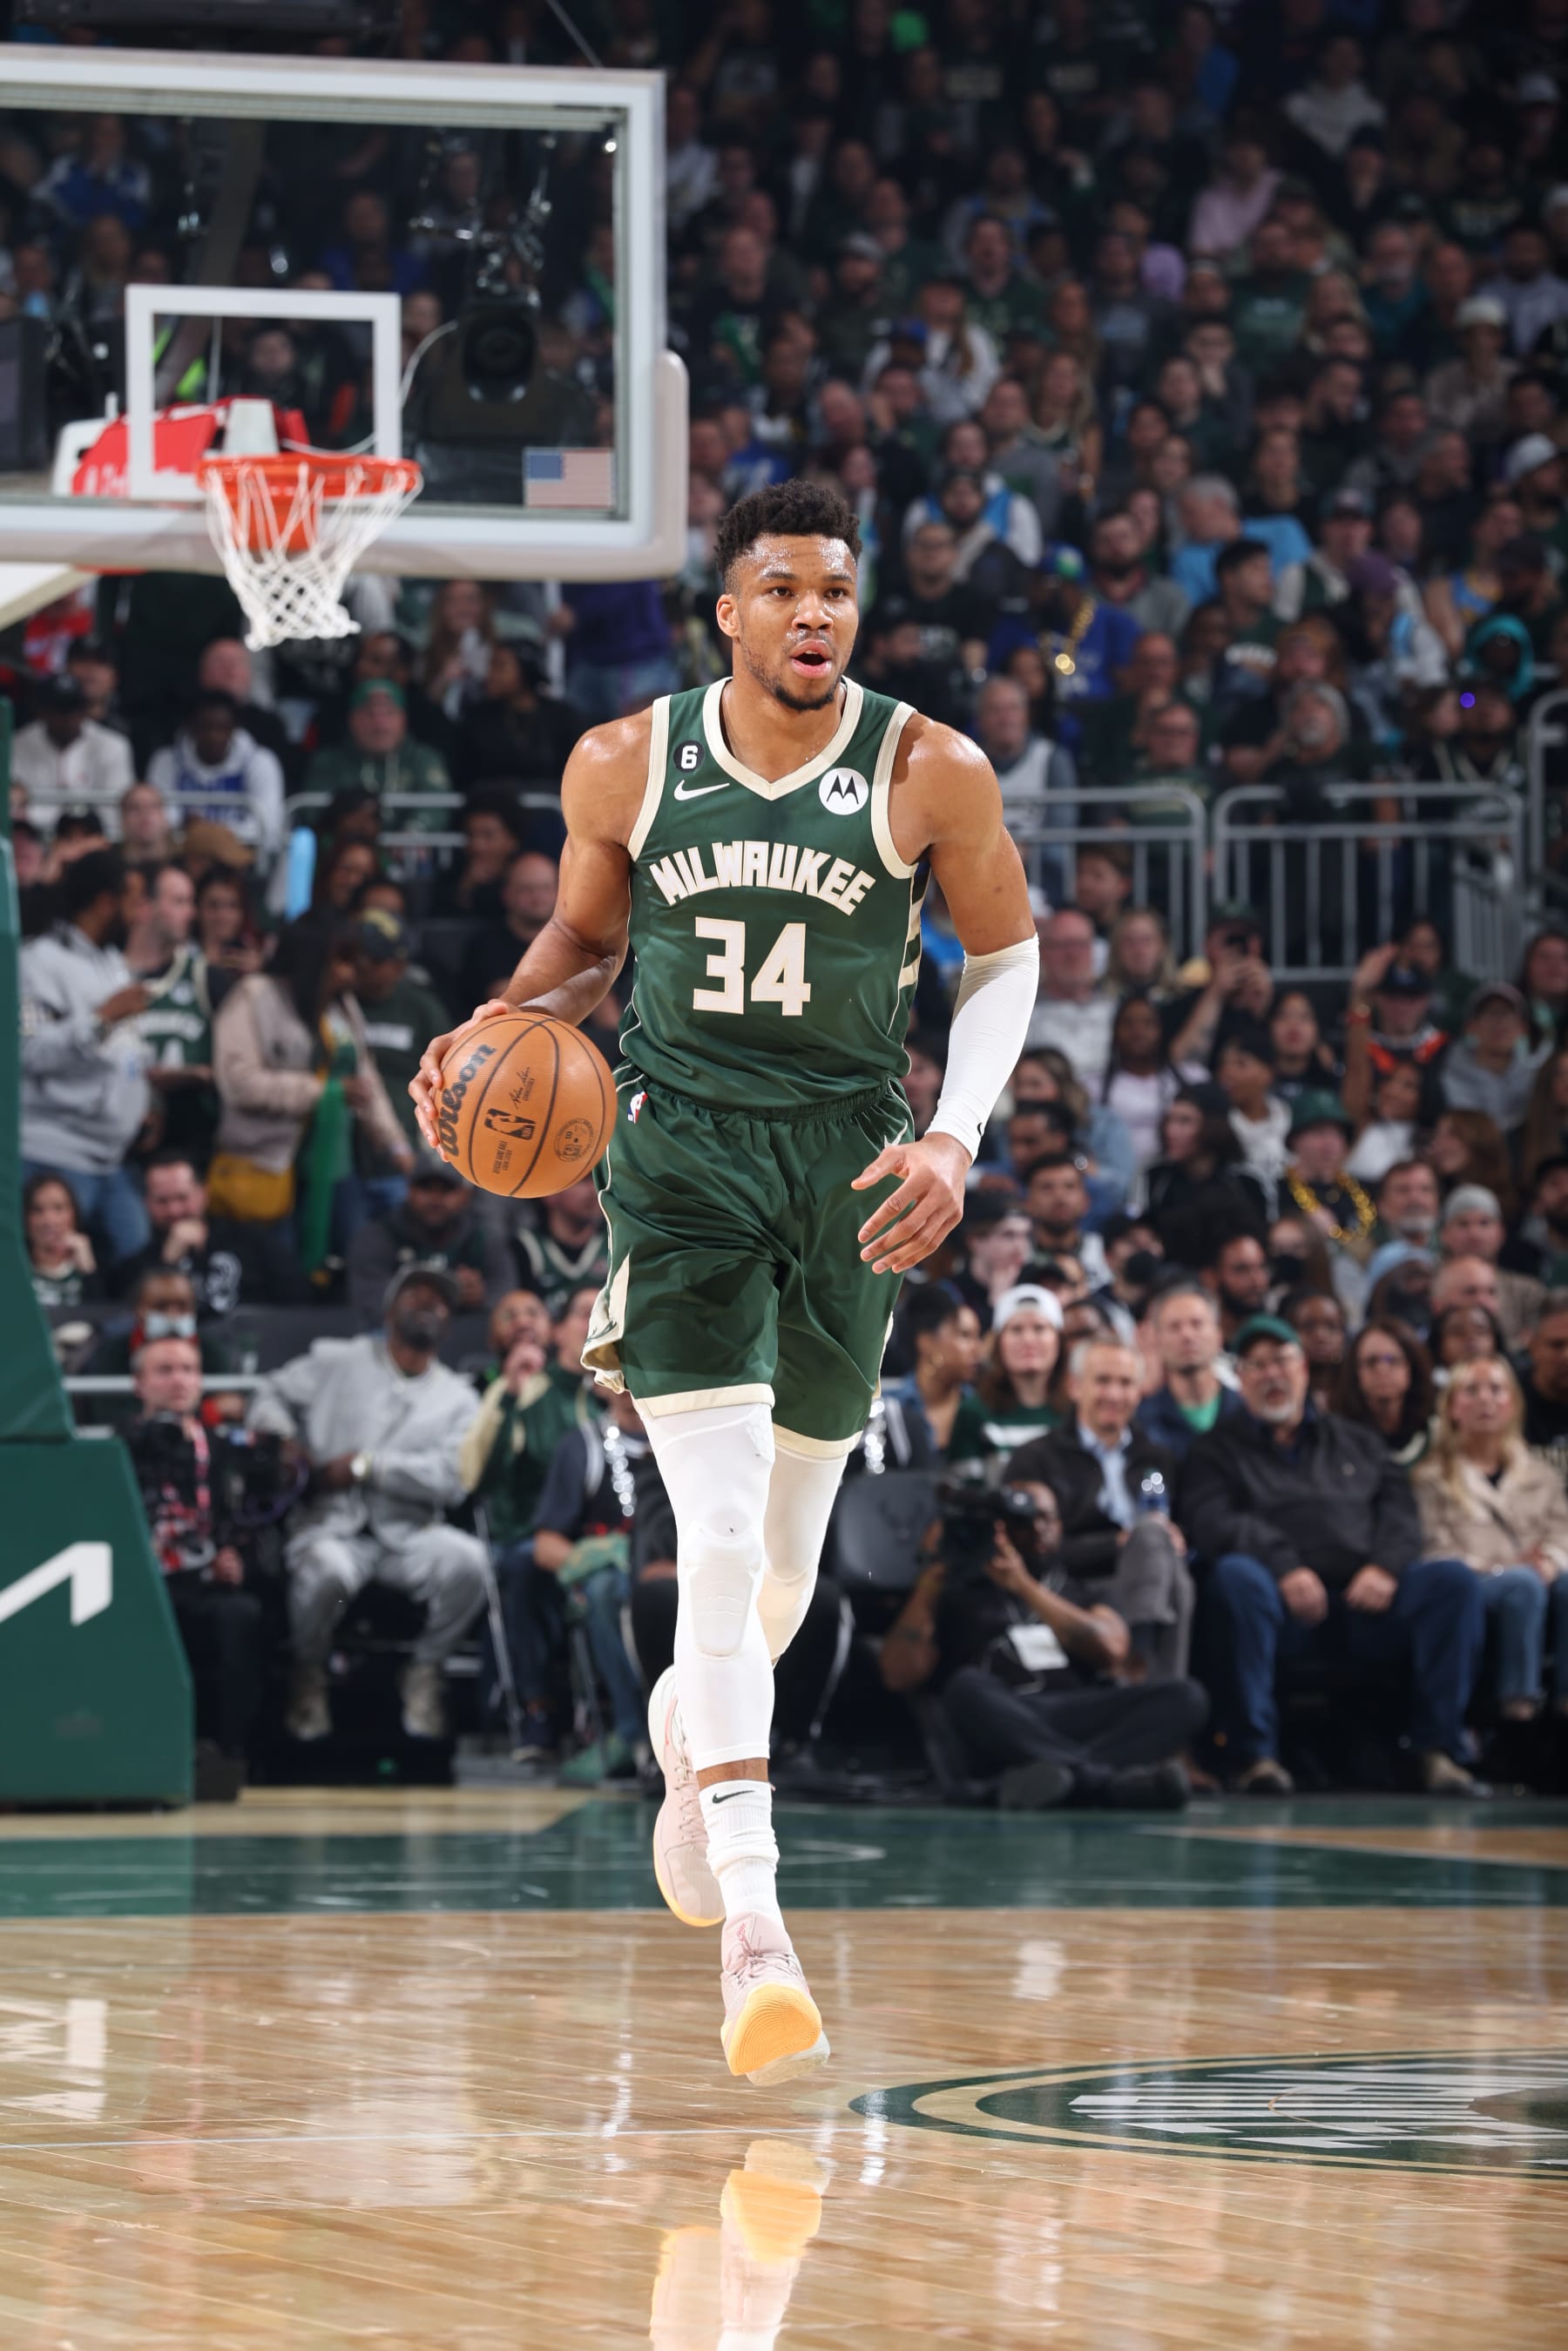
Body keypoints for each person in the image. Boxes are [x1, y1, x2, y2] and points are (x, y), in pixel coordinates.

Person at [410, 477, 1039, 2084]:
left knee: (778, 1573)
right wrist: (486, 1027)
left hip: (848, 1164)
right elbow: (580, 942)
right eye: (785, 588)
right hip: (679, 1152)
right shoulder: (629, 759)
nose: (816, 613)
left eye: (838, 587)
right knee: (711, 1515)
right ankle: (760, 1923)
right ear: (730, 611)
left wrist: (956, 1141)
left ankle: (697, 1741)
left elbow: (1010, 954)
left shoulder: (928, 767)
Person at [1183, 1314, 1485, 1797]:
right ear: (1239, 1380)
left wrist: (1386, 1567)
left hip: (1367, 1601)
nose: (1271, 1375)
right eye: (1256, 1366)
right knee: (1235, 1577)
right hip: (1278, 1608)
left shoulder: (1358, 1441)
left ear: (1303, 1368)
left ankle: (1436, 1750)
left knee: (1452, 1583)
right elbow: (1213, 1521)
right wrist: (1284, 1566)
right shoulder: (1214, 1451)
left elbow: (1401, 1515)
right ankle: (1255, 1757)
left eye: (1281, 1361)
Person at [248, 1267, 488, 1744]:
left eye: (438, 1301)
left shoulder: (459, 1398)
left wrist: (370, 1467)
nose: (427, 1305)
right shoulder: (340, 1360)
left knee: (471, 1563)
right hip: (331, 1526)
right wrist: (284, 1439)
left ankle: (425, 1669)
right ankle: (309, 1672)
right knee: (327, 1570)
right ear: (389, 1309)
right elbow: (268, 1393)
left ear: (450, 1319)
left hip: (408, 1533)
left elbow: (453, 1478)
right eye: (415, 1294)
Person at [878, 1475, 1206, 1809]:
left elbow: (1112, 1650)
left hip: (1075, 1710)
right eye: (1024, 1520)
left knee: (1187, 1697)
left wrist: (1024, 1586)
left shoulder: (1076, 1589)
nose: (1038, 1529)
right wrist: (932, 1578)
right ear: (999, 1526)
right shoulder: (958, 1593)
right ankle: (1101, 1783)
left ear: (1061, 1525)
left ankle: (1035, 1784)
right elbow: (897, 1674)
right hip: (1003, 1717)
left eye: (1047, 1517)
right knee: (965, 1687)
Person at [210, 919, 410, 1249]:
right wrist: (324, 1092)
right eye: (341, 961)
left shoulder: (342, 1006)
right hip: (270, 1161)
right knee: (281, 1274)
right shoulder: (255, 995)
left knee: (350, 1257)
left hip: (334, 1160)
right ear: (309, 958)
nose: (349, 973)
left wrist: (395, 1144)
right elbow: (240, 1083)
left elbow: (364, 1078)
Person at [1007, 1335, 1194, 1679]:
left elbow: (1188, 1530)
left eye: (1125, 1383)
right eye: (1103, 1381)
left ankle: (1136, 1672)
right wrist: (1116, 1544)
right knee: (1164, 1560)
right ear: (1075, 1387)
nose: (1114, 1394)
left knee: (1163, 1551)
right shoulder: (1035, 1459)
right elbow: (1028, 1552)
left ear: (1139, 1392)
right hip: (1073, 1587)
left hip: (1150, 1579)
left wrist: (1175, 1539)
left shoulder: (1158, 1458)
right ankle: (1153, 1682)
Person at [125, 1332, 266, 1766]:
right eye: (164, 1370)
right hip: (141, 1587)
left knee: (241, 1613)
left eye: (188, 1370)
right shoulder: (119, 1448)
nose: (178, 1380)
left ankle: (225, 1754)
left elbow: (249, 1527)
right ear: (140, 1384)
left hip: (205, 1585)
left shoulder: (225, 1451)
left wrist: (236, 1558)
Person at [1414, 1355, 1568, 1724]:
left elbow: (1563, 1532)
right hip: (1475, 1581)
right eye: (1471, 1390)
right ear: (1452, 1408)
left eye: (1496, 1389)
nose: (1485, 1399)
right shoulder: (1430, 1478)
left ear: (1512, 1403)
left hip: (1538, 1574)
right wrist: (1502, 1568)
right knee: (1521, 1585)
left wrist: (1548, 1563)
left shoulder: (1541, 1474)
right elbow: (1434, 1549)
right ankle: (1518, 1709)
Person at [19, 847, 152, 1265]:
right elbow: (29, 1051)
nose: (141, 915)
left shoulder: (113, 964)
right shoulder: (35, 963)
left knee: (135, 1268)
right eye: (134, 902)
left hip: (112, 1159)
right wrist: (100, 1019)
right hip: (53, 1157)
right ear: (105, 903)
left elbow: (123, 1051)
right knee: (57, 1278)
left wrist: (145, 1097)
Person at [112, 1151, 308, 1314]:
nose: (174, 1210)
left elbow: (298, 1299)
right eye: (162, 1201)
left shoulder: (252, 1241)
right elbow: (127, 1316)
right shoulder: (139, 1264)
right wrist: (167, 1262)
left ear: (204, 1194)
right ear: (147, 1204)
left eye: (182, 1198)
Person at [145, 691, 287, 865]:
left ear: (235, 728)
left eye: (223, 728)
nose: (214, 736)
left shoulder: (261, 761)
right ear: (191, 727)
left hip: (241, 859)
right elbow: (158, 818)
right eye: (206, 728)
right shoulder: (166, 760)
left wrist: (208, 832)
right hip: (181, 856)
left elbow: (266, 825)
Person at [10, 674, 134, 837]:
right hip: (33, 842)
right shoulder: (17, 745)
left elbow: (114, 815)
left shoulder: (113, 745)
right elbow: (14, 811)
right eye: (59, 710)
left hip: (96, 842)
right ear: (43, 711)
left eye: (73, 709)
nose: (67, 717)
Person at [1137, 1281, 1243, 1463]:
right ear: (1157, 1340)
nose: (1187, 1335)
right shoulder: (1141, 1422)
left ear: (1218, 1336)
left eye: (1197, 1324)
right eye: (1174, 1327)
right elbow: (1152, 1486)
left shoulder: (1246, 1411)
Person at [882, 1284, 987, 1464]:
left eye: (978, 1337)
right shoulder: (889, 1411)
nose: (978, 1350)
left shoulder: (983, 1409)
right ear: (926, 1342)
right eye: (965, 1335)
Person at [1436, 1186, 1544, 1353]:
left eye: (1484, 1223)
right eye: (1463, 1224)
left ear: (1501, 1232)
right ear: (1444, 1234)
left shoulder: (1529, 1291)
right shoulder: (1430, 1285)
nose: (1474, 1233)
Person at [972, 1282, 1063, 1463]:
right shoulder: (974, 1412)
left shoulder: (1080, 1411)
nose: (1028, 1339)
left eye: (1039, 1328)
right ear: (998, 1343)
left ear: (1059, 1340)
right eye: (1016, 1329)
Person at [1333, 1320, 1436, 1468]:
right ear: (1356, 1372)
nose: (1382, 1370)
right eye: (1371, 1361)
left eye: (1392, 1360)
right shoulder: (1336, 1436)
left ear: (1412, 1367)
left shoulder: (1435, 1433)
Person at [24, 1169, 102, 1309]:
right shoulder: (14, 1269)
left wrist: (88, 1270)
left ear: (73, 1214)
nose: (48, 1220)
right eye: (38, 1210)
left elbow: (102, 1319)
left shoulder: (89, 1271)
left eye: (58, 1209)